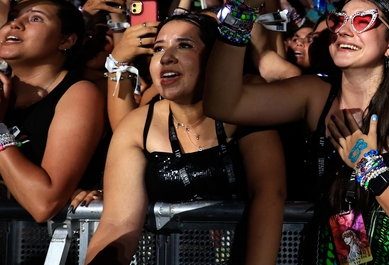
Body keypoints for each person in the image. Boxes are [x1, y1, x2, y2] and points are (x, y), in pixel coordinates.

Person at [203, 0, 389, 263]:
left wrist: (367, 163)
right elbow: (221, 104)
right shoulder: (316, 95)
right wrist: (244, 4)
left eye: (363, 21)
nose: (345, 30)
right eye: (338, 20)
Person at [86, 14, 286, 264]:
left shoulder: (250, 102)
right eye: (158, 49)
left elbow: (269, 194)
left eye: (184, 45)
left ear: (216, 57)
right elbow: (118, 223)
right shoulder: (136, 126)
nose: (166, 58)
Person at [0, 0, 105, 222]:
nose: (15, 24)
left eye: (36, 18)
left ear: (66, 41)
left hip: (36, 240)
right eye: (13, 16)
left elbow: (43, 204)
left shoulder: (79, 94)